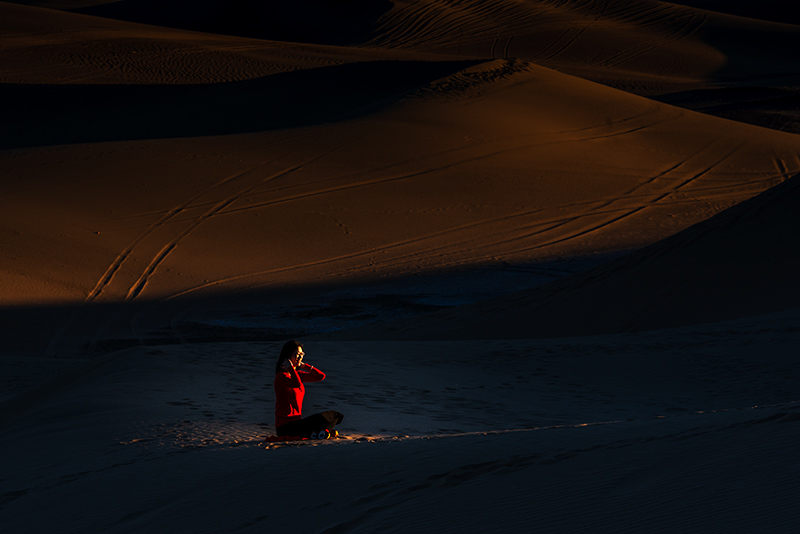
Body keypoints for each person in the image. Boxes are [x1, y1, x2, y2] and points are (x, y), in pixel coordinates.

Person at [273, 340, 344, 438]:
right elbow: (296, 383)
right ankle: (321, 432)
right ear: (287, 356)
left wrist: (304, 366)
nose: (300, 357)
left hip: (298, 423)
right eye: (297, 354)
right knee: (321, 419)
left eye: (302, 354)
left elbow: (320, 376)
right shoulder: (281, 376)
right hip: (285, 427)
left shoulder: (297, 375)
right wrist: (290, 368)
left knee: (336, 415)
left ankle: (321, 432)